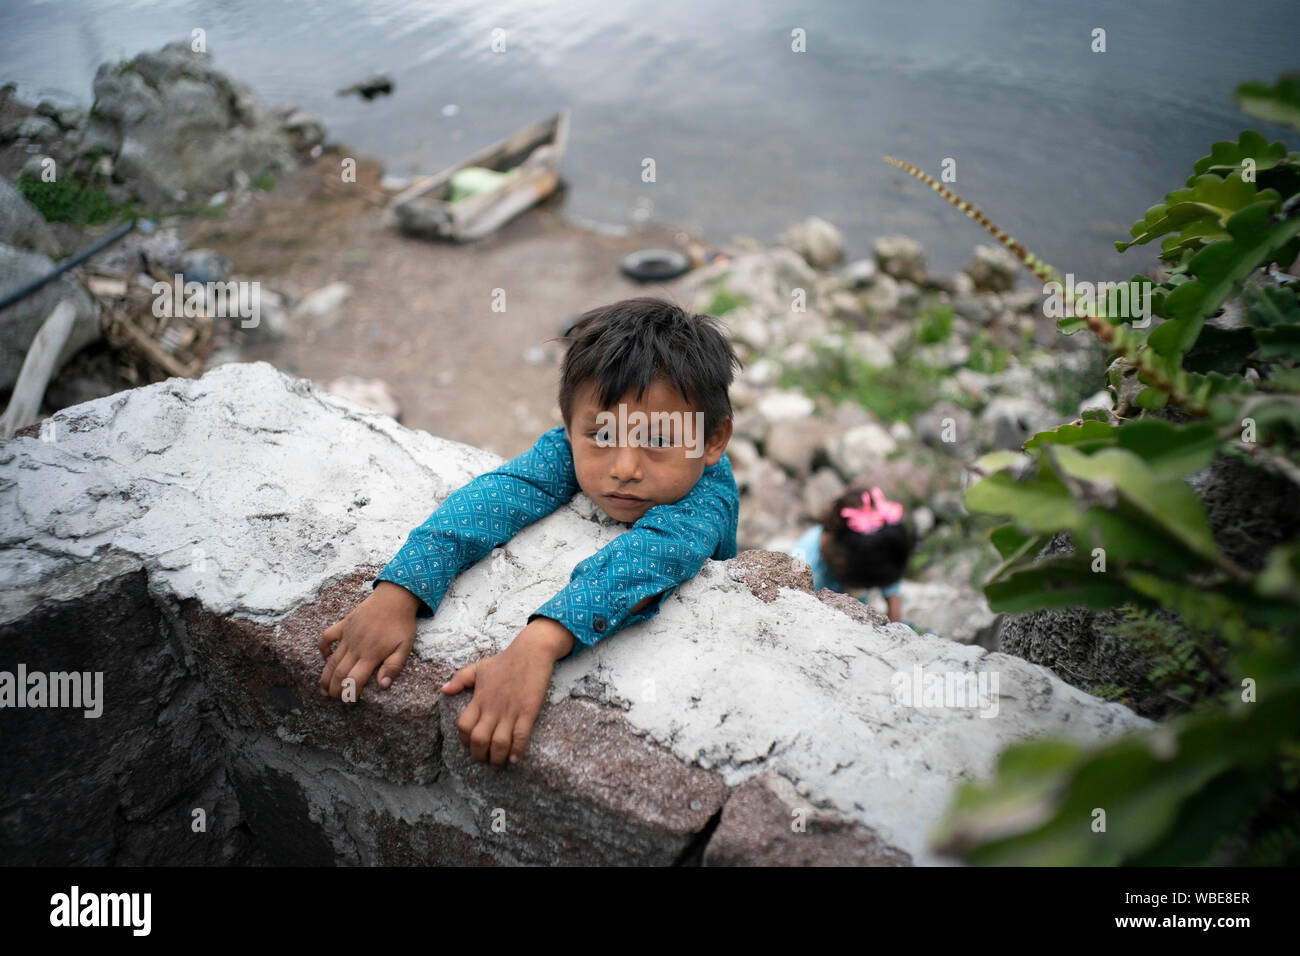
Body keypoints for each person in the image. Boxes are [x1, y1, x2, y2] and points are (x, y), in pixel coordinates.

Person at [317, 297, 741, 767]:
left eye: (658, 441)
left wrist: (539, 644)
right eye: (600, 436)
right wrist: (401, 588)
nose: (623, 467)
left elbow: (647, 557)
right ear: (568, 425)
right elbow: (500, 495)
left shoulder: (706, 497)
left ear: (712, 441)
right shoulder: (573, 446)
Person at [788, 485, 913, 622]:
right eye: (865, 586)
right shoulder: (801, 567)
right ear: (840, 564)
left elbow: (888, 569)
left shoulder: (871, 550)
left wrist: (894, 604)